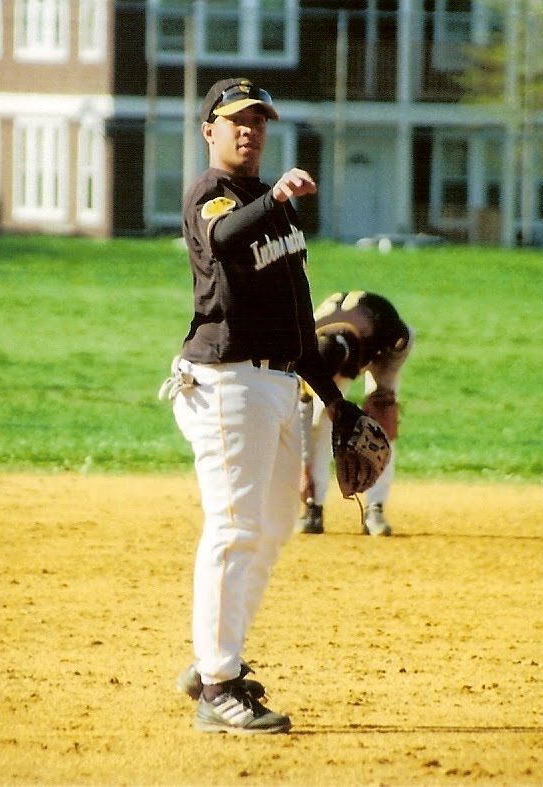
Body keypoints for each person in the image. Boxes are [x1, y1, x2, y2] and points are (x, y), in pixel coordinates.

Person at [159, 77, 348, 735]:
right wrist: (273, 198)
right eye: (236, 119)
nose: (249, 129)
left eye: (259, 120)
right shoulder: (209, 196)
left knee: (268, 530)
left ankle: (218, 657)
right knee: (234, 526)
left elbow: (300, 311)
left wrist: (334, 400)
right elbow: (227, 242)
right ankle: (217, 686)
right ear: (208, 129)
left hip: (277, 382)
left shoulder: (277, 210)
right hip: (225, 381)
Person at [295, 291, 414, 536]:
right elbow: (302, 416)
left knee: (381, 417)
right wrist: (303, 469)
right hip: (335, 345)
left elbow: (400, 344)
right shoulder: (305, 349)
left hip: (385, 348)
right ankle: (312, 507)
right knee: (319, 422)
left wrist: (382, 393)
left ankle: (375, 508)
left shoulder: (386, 331)